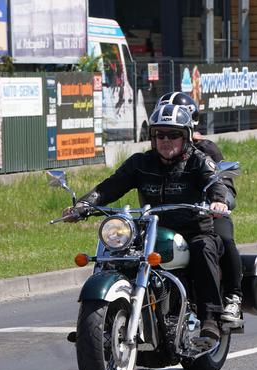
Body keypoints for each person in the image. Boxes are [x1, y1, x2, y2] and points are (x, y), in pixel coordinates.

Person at [63, 104, 239, 343]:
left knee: (204, 248)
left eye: (173, 134)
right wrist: (84, 205)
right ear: (153, 137)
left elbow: (216, 183)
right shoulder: (140, 163)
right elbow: (109, 187)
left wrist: (219, 201)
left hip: (192, 230)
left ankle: (210, 319)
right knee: (118, 251)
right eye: (160, 134)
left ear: (186, 136)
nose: (166, 140)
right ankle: (96, 322)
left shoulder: (199, 161)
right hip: (151, 233)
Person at [157, 92, 243, 323]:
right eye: (161, 129)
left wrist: (220, 201)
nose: (167, 136)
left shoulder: (206, 150)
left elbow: (223, 184)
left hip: (207, 214)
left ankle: (233, 296)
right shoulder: (152, 157)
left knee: (222, 239)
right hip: (166, 217)